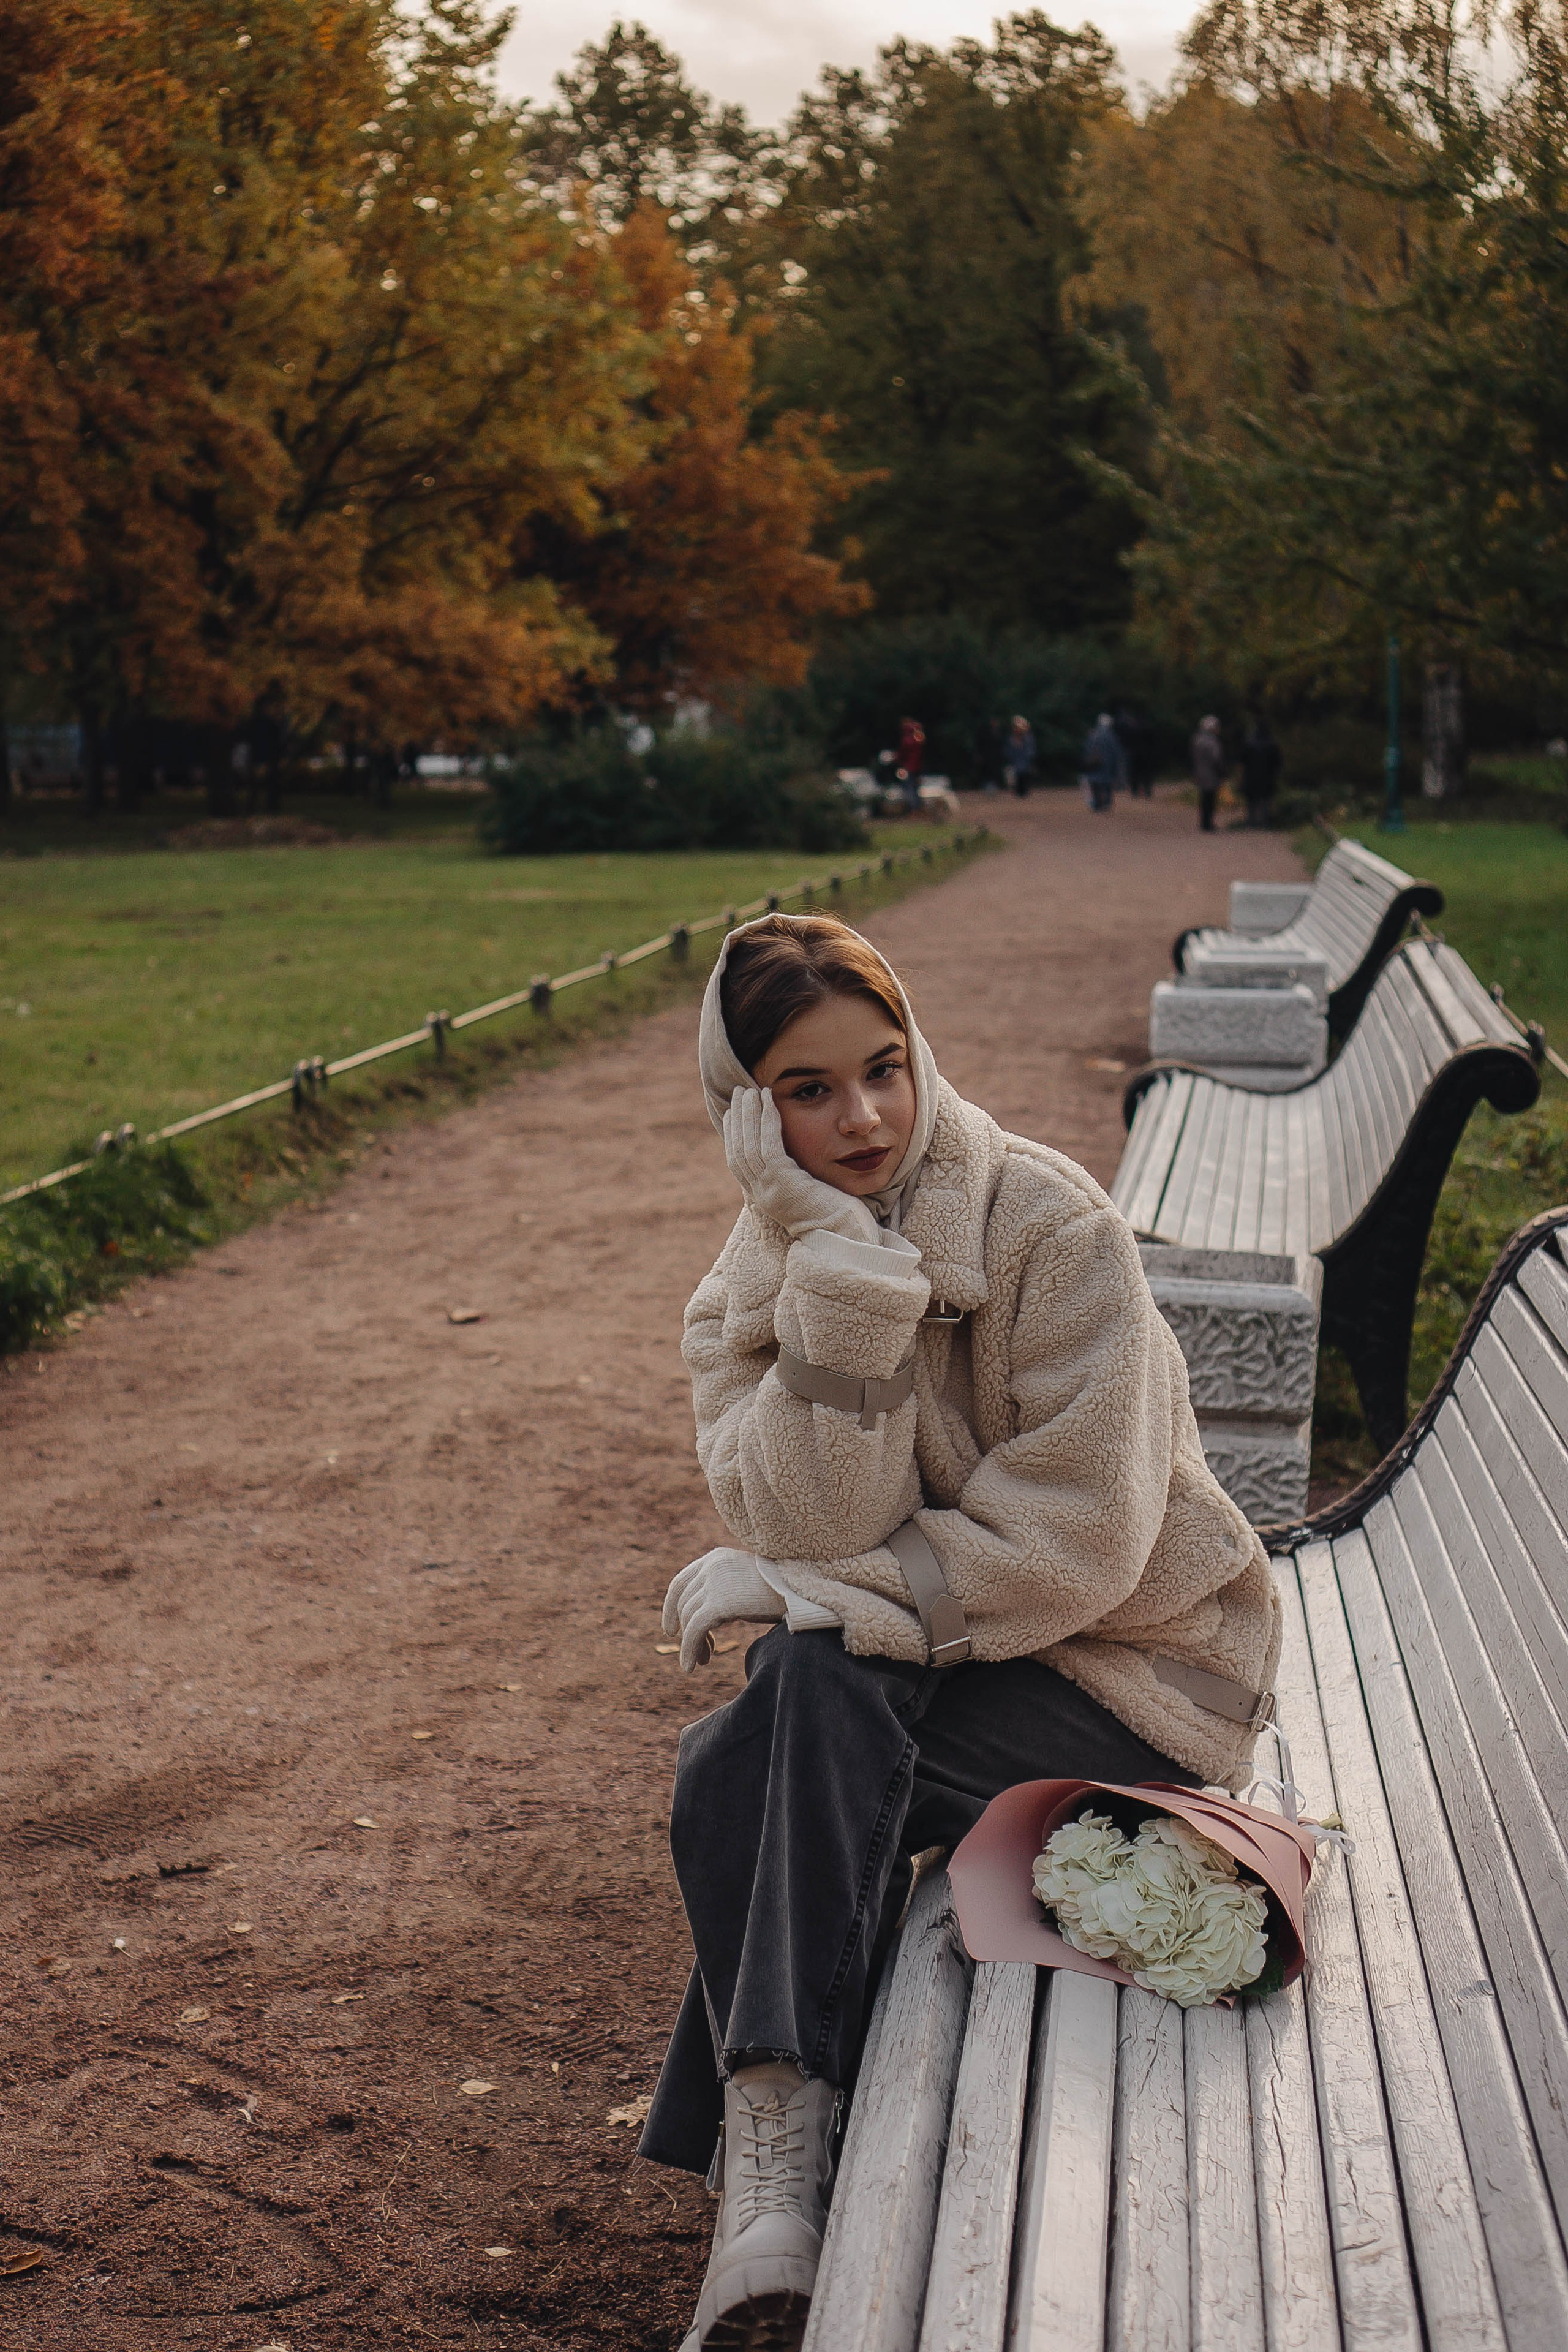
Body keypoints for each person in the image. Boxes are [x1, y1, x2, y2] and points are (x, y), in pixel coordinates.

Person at [642, 913, 1282, 2351]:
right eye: (806, 1089)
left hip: (1138, 1668)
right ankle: (778, 2160)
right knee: (794, 1710)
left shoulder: (1051, 1229)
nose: (862, 1115)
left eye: (881, 1067)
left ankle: (766, 2176)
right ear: (742, 1110)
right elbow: (814, 1517)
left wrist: (827, 1595)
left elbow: (1075, 1542)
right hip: (948, 1668)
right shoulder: (744, 1293)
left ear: (918, 1049)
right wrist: (840, 1277)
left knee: (755, 1746)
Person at [1240, 715, 1283, 827]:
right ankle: (1265, 821)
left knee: (1252, 801)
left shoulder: (1249, 744)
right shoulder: (1272, 744)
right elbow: (1278, 761)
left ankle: (1252, 821)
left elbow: (1243, 759)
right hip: (1268, 776)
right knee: (1266, 800)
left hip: (1251, 776)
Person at [1080, 711, 1125, 812]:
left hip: (1094, 764)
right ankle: (1107, 802)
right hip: (1107, 763)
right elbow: (1116, 751)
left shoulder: (1093, 734)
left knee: (1095, 783)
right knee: (1107, 783)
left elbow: (1087, 749)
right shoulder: (1111, 735)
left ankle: (1097, 803)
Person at [1191, 714, 1227, 832]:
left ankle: (1203, 822)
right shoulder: (1213, 741)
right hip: (1211, 774)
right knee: (1211, 800)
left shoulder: (1197, 739)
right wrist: (1221, 771)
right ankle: (1208, 823)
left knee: (1204, 798)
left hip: (1200, 772)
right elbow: (1216, 758)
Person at [1115, 706, 1156, 799]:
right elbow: (1154, 741)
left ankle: (1135, 792)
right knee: (1147, 773)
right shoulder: (1150, 727)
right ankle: (1148, 791)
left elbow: (1128, 741)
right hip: (1147, 754)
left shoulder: (1132, 727)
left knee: (1135, 774)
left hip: (1135, 754)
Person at [895, 716, 925, 813]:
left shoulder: (907, 739)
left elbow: (902, 753)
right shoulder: (919, 736)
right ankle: (919, 807)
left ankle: (913, 809)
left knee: (908, 788)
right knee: (916, 788)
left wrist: (896, 757)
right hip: (918, 767)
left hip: (908, 767)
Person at [1003, 714, 1036, 796]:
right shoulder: (1010, 740)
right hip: (1014, 768)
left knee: (1024, 790)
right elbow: (1008, 754)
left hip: (1024, 768)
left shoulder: (1028, 739)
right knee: (1015, 788)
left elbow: (1031, 754)